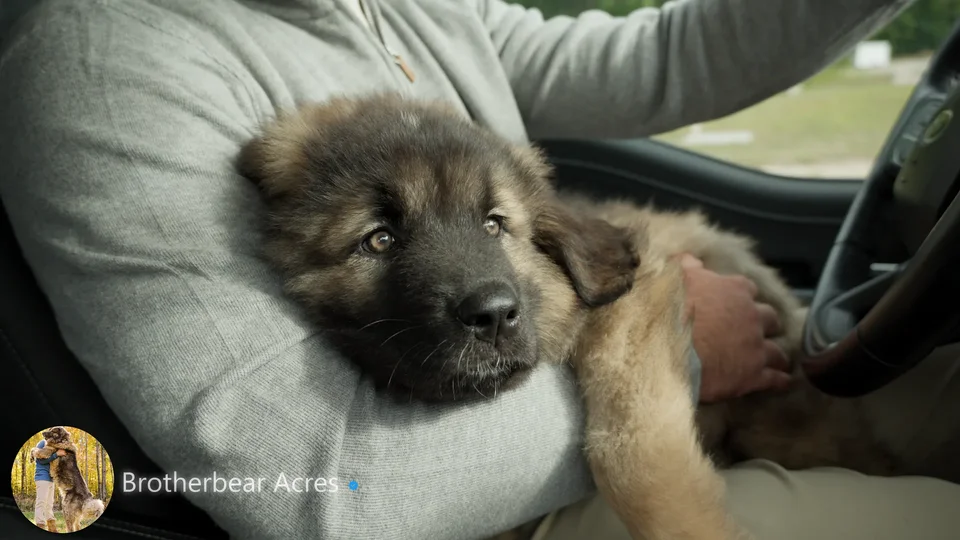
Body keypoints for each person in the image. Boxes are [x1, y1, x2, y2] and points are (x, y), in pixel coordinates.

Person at [0, 0, 957, 538]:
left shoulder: (396, 6)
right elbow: (307, 484)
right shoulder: (111, 58)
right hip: (497, 514)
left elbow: (664, 57)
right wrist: (687, 359)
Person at [32, 439, 65, 532]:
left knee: (49, 504)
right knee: (41, 502)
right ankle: (40, 525)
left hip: (51, 479)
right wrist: (56, 455)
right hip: (42, 477)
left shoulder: (54, 445)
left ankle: (52, 528)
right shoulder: (42, 442)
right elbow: (40, 460)